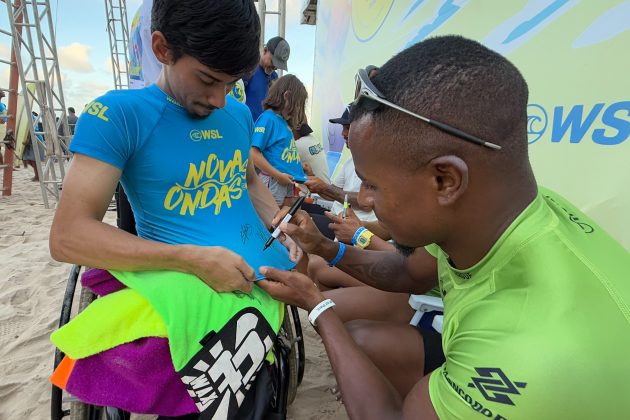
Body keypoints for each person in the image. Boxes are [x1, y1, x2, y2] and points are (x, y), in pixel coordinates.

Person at [258, 35, 630, 419]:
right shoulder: (500, 212)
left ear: (445, 180)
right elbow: (409, 271)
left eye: (373, 185)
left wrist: (319, 309)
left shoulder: (530, 346)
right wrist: (321, 245)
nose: (363, 201)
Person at [49, 1, 301, 417]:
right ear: (163, 48)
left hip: (258, 275)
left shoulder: (238, 115)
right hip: (187, 285)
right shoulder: (118, 115)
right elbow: (68, 235)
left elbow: (248, 178)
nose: (220, 99)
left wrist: (279, 222)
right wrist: (192, 261)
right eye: (207, 80)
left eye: (232, 82)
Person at [250, 74, 307, 206]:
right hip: (274, 181)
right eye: (297, 105)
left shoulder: (282, 121)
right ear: (286, 96)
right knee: (272, 219)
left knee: (282, 219)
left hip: (284, 181)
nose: (297, 110)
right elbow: (253, 153)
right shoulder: (268, 118)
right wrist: (277, 175)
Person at [243, 36, 290, 121]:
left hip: (264, 131)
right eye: (273, 62)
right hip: (246, 128)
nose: (275, 67)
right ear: (265, 50)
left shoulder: (275, 78)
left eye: (278, 65)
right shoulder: (248, 69)